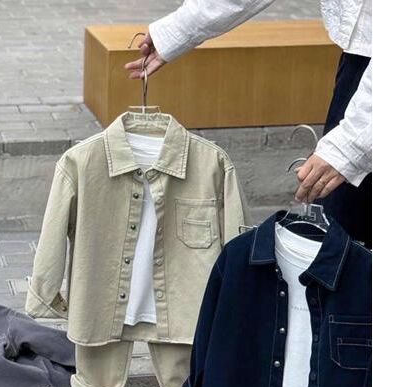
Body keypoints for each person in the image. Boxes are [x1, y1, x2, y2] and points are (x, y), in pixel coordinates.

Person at [125, 0, 372, 247]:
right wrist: (176, 30)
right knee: (342, 242)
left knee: (343, 245)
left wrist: (349, 146)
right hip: (359, 63)